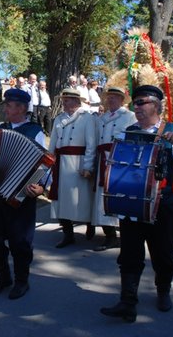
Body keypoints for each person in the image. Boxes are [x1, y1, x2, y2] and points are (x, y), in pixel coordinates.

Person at [100, 85, 173, 322]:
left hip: (164, 203)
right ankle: (127, 302)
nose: (137, 107)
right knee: (129, 253)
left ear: (157, 105)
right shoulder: (128, 132)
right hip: (132, 204)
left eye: (143, 102)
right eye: (135, 103)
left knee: (163, 253)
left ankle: (163, 290)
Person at [0, 88, 46, 300]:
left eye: (9, 105)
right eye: (6, 104)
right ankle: (2, 277)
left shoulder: (35, 131)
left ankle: (21, 281)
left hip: (21, 194)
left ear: (22, 108)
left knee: (20, 240)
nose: (5, 107)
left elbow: (43, 164)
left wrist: (39, 187)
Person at [47, 88, 97, 248]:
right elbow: (53, 142)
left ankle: (91, 225)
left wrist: (88, 166)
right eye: (63, 99)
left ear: (76, 101)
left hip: (79, 163)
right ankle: (68, 234)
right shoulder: (59, 118)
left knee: (84, 199)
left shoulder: (87, 118)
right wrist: (49, 161)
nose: (64, 102)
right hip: (61, 163)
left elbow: (91, 144)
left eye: (67, 99)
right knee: (61, 200)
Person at [92, 87, 136, 251]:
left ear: (122, 100)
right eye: (109, 98)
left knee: (119, 197)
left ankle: (125, 234)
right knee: (101, 198)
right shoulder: (102, 118)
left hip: (119, 160)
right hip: (103, 158)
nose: (110, 100)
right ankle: (109, 235)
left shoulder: (130, 117)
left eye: (114, 98)